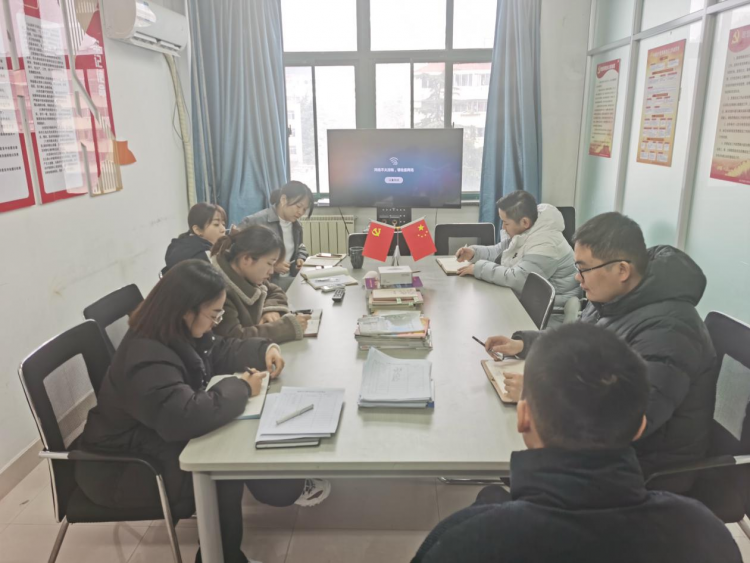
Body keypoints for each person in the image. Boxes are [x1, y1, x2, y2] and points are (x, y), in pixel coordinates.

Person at [412, 323, 741, 563]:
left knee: (490, 495)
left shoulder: (464, 542)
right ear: (640, 426)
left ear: (523, 418)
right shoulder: (706, 534)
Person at [75, 260, 330, 563]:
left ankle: (278, 490)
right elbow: (184, 418)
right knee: (221, 467)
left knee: (235, 437)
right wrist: (242, 387)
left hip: (152, 442)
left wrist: (263, 349)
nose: (216, 322)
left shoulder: (173, 330)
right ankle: (223, 556)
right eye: (214, 314)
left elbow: (217, 349)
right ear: (186, 310)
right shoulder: (145, 357)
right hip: (124, 470)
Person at [485, 212, 717, 493]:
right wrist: (524, 344)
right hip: (606, 448)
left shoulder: (671, 330)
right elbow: (577, 341)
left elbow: (629, 420)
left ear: (622, 270)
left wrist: (541, 392)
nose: (577, 278)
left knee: (512, 460)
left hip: (642, 466)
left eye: (583, 269)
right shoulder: (615, 299)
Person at [455, 190, 579, 307]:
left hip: (552, 311)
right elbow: (501, 252)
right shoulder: (528, 228)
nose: (503, 227)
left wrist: (478, 268)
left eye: (506, 223)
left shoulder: (546, 244)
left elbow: (518, 280)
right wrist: (474, 253)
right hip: (534, 300)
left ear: (525, 222)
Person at [211, 225, 309, 344]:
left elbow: (275, 291)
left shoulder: (245, 274)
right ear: (247, 259)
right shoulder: (219, 290)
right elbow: (235, 338)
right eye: (270, 263)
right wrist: (288, 327)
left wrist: (270, 310)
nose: (271, 271)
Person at [238, 181, 313, 290]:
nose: (301, 212)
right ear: (283, 200)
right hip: (264, 284)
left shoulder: (296, 225)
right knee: (309, 288)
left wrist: (300, 258)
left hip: (289, 277)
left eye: (304, 209)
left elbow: (300, 246)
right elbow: (239, 256)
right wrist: (272, 265)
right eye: (298, 206)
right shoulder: (255, 222)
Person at [164, 202, 227, 273]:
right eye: (216, 224)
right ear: (197, 230)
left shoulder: (176, 246)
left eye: (223, 224)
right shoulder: (206, 256)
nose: (223, 229)